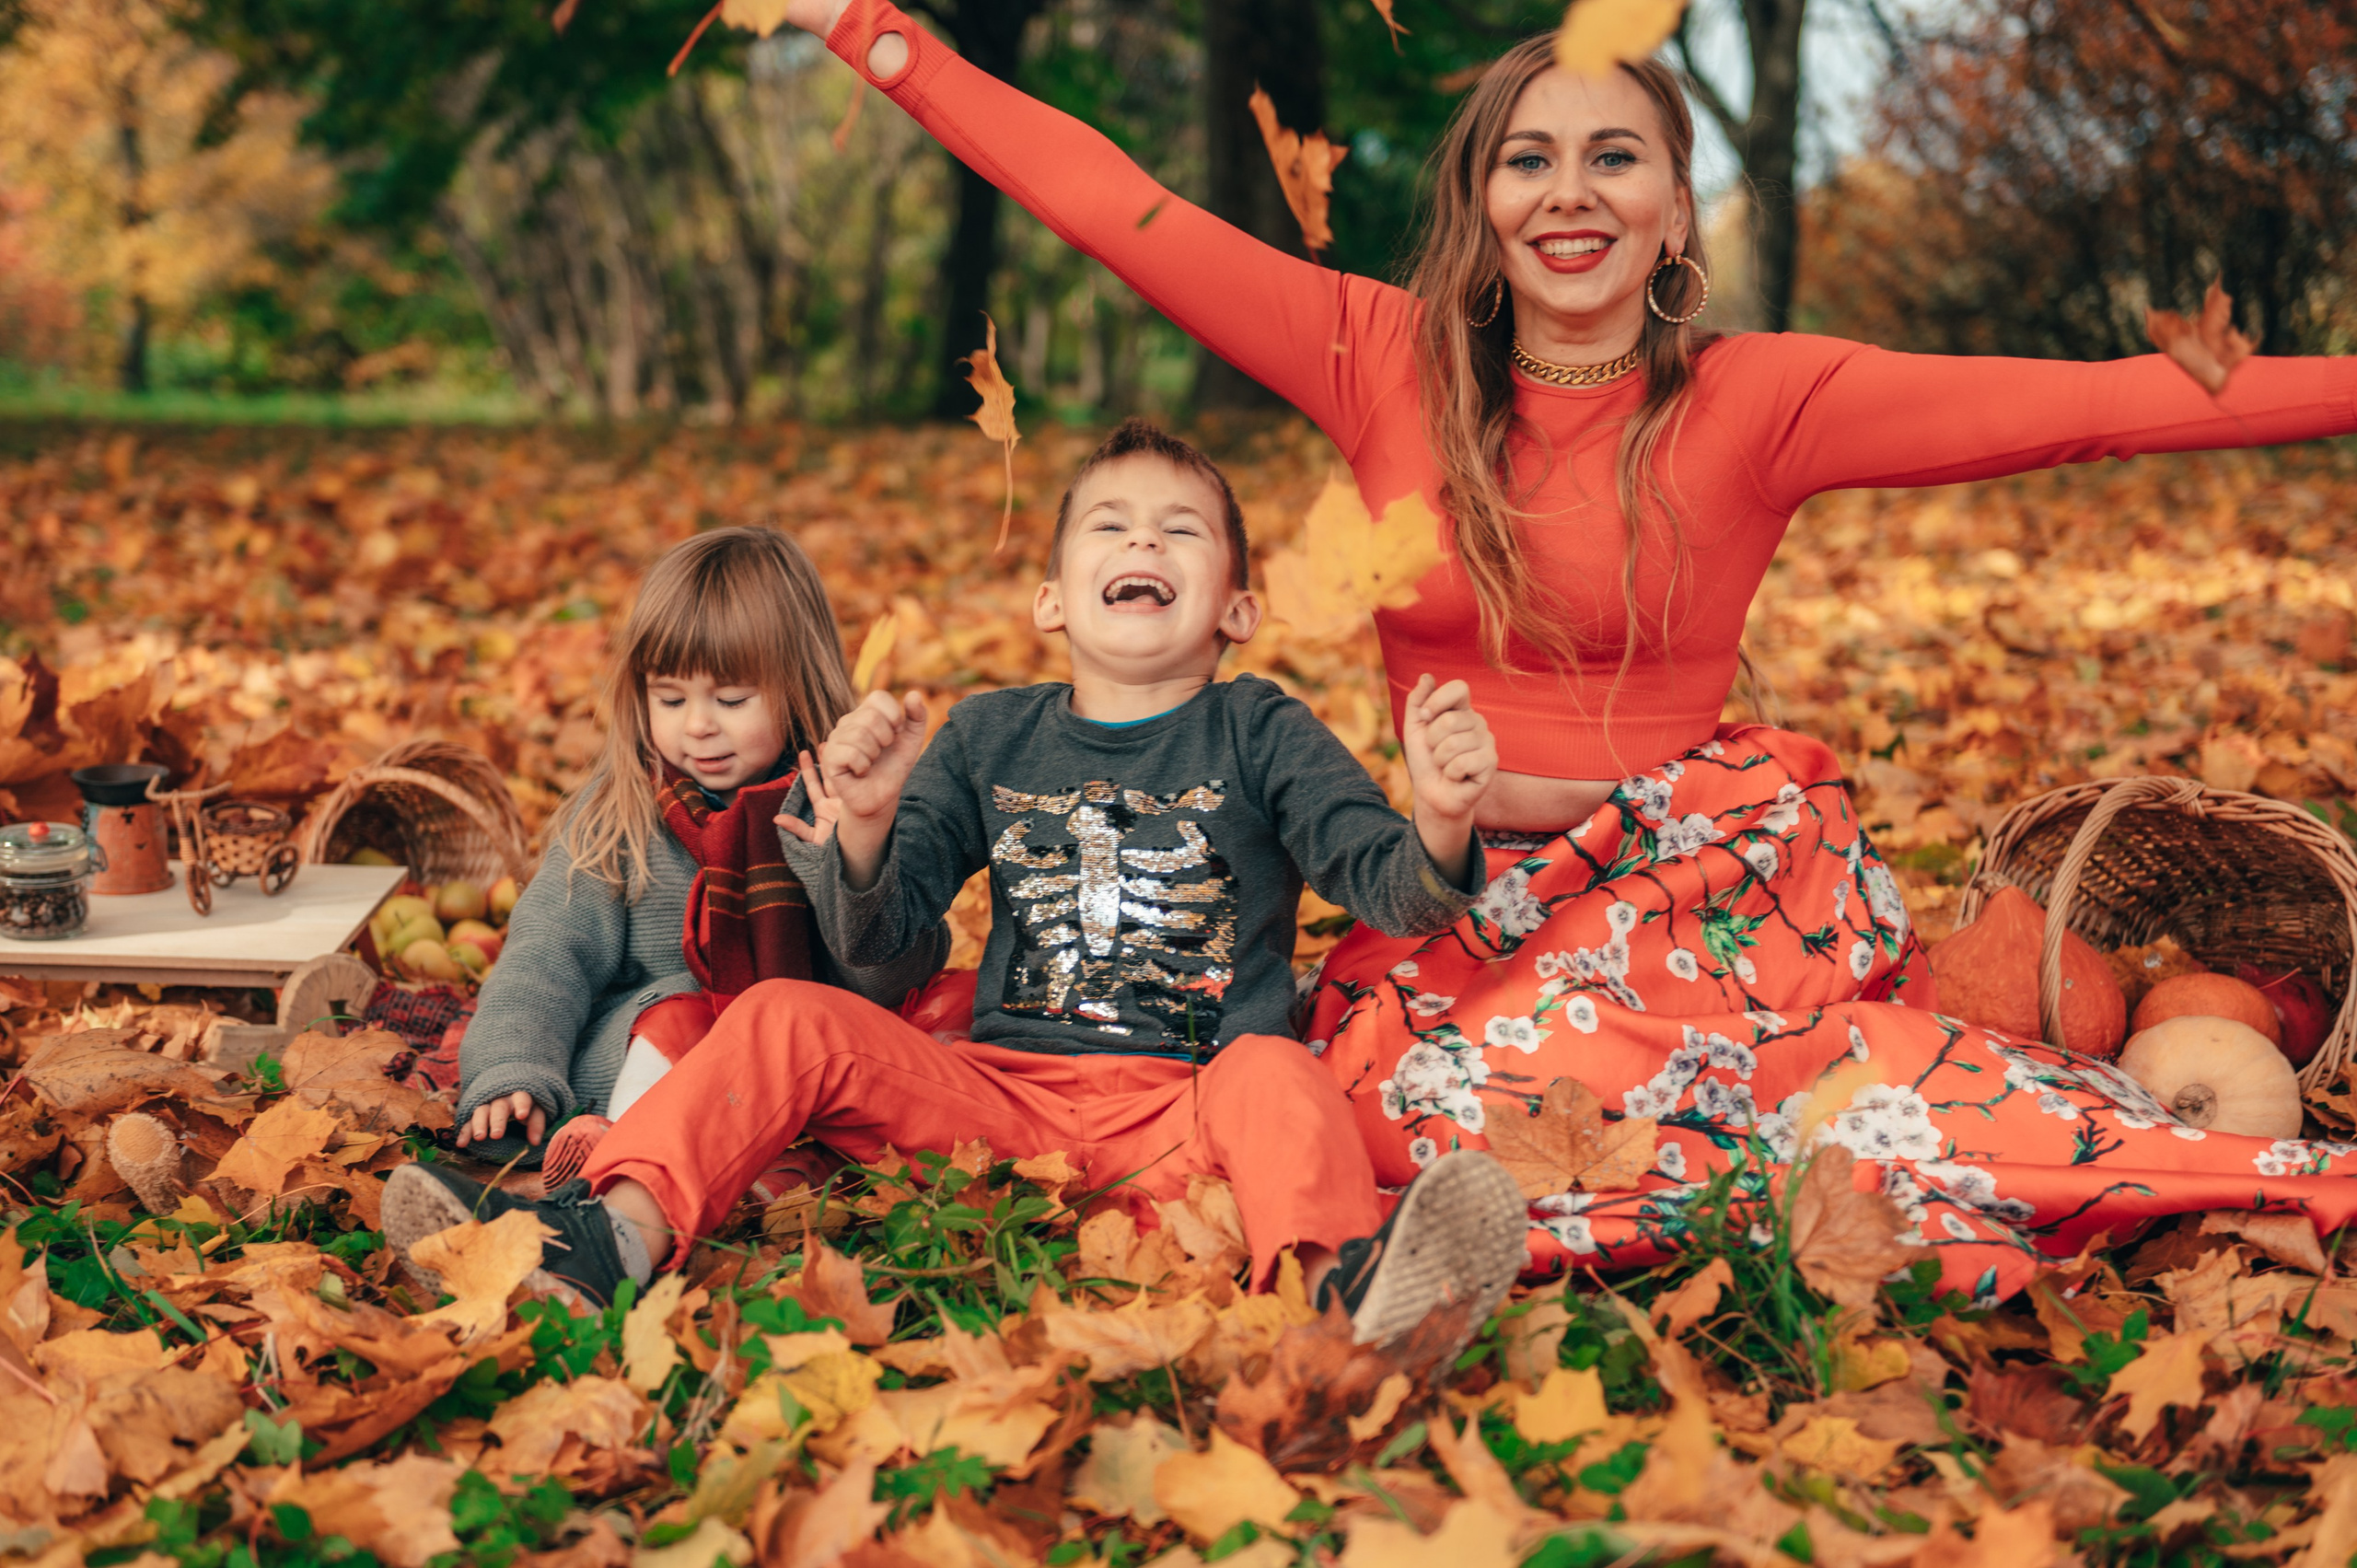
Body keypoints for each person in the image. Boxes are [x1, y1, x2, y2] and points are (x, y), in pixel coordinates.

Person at [761, 0, 2357, 1300]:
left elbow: (2095, 408)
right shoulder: (1376, 355)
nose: (1570, 193)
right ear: (1481, 200)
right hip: (1449, 891)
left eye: (1615, 157)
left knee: (1723, 1116)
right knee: (1374, 1119)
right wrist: (866, 30)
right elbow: (1122, 207)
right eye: (1529, 160)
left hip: (1688, 885)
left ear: (1675, 208)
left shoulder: (1760, 398)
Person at [384, 421, 1530, 1348]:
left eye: (1179, 528)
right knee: (784, 1013)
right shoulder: (988, 735)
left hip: (1188, 1107)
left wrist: (1437, 818)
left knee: (1278, 1070)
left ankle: (1347, 1295)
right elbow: (882, 950)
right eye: (1110, 524)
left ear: (1236, 607)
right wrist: (867, 831)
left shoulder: (1263, 728)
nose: (1144, 538)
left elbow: (1392, 892)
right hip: (999, 1110)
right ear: (1050, 598)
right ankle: (603, 1240)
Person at [447, 526, 946, 1188]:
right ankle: (629, 1168)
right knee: (697, 1012)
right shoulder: (617, 814)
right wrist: (512, 1069)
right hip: (650, 1065)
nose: (699, 725)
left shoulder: (839, 803)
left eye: (732, 700)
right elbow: (548, 954)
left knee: (954, 1001)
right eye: (671, 698)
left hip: (805, 1072)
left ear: (798, 686)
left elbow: (887, 989)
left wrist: (854, 859)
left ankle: (783, 1166)